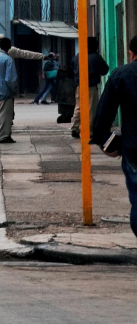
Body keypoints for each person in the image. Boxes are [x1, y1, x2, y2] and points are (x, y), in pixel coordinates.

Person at [90, 35, 137, 240]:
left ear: (131, 53)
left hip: (134, 148)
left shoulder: (121, 74)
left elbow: (103, 115)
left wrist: (105, 142)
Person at [74, 44, 112, 139]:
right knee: (90, 109)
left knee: (78, 107)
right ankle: (89, 131)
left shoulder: (77, 56)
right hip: (90, 86)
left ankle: (75, 128)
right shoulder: (96, 57)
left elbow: (71, 71)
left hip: (79, 86)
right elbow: (105, 70)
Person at [0, 38, 21, 144]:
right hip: (5, 91)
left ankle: (5, 135)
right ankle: (2, 136)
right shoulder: (8, 60)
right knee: (5, 116)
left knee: (0, 114)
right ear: (9, 47)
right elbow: (10, 79)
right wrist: (15, 90)